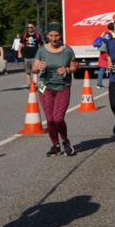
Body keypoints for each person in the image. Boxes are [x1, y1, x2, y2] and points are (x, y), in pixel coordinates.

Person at [33, 23, 79, 157]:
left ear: (61, 35)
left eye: (57, 35)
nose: (54, 38)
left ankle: (65, 141)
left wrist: (67, 69)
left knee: (58, 118)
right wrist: (38, 67)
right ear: (47, 35)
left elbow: (74, 68)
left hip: (62, 87)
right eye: (51, 35)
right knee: (50, 119)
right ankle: (55, 145)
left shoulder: (68, 50)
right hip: (45, 87)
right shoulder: (42, 50)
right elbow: (34, 68)